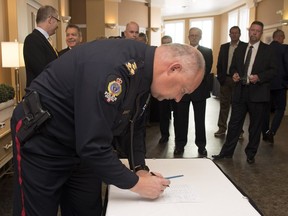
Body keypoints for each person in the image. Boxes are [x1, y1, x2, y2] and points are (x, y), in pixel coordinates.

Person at [11, 39, 205, 216]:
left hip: (80, 144)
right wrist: (136, 184)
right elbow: (92, 146)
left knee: (87, 209)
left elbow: (134, 125)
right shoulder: (113, 71)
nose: (179, 99)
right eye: (183, 90)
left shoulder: (144, 74)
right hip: (44, 139)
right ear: (174, 69)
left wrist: (139, 169)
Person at [212, 21, 277, 164]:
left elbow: (273, 71)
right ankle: (226, 152)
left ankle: (250, 154)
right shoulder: (240, 49)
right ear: (249, 31)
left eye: (257, 31)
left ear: (261, 33)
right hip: (240, 92)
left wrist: (259, 77)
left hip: (258, 93)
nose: (254, 33)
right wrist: (235, 73)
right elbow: (234, 66)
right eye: (252, 30)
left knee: (255, 126)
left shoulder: (268, 50)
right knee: (234, 124)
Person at [173, 27, 213, 156]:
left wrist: (192, 81)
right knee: (180, 120)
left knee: (200, 120)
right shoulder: (181, 52)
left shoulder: (207, 52)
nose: (194, 37)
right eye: (192, 35)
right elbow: (177, 70)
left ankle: (201, 146)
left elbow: (205, 71)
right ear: (188, 37)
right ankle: (179, 145)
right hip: (183, 91)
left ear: (200, 37)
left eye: (197, 35)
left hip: (199, 91)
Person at [214, 26, 246, 138]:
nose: (234, 35)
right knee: (224, 105)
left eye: (236, 33)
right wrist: (221, 78)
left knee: (238, 106)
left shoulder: (245, 47)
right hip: (225, 79)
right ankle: (222, 128)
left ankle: (239, 131)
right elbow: (219, 64)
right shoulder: (224, 47)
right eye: (232, 33)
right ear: (229, 34)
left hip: (238, 80)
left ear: (240, 34)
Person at [262, 29, 288, 144]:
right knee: (280, 109)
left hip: (266, 84)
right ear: (281, 37)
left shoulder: (265, 49)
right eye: (283, 38)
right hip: (280, 84)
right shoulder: (285, 48)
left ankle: (264, 133)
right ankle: (272, 132)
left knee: (265, 110)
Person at [23, 5, 60, 87]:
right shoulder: (32, 39)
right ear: (50, 20)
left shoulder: (45, 40)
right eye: (57, 20)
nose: (58, 25)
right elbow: (42, 71)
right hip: (41, 95)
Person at [158, 35, 173, 144]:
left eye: (169, 42)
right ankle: (164, 135)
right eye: (165, 43)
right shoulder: (157, 55)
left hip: (175, 89)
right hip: (162, 89)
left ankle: (179, 139)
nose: (167, 44)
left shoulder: (178, 55)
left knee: (178, 115)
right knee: (163, 114)